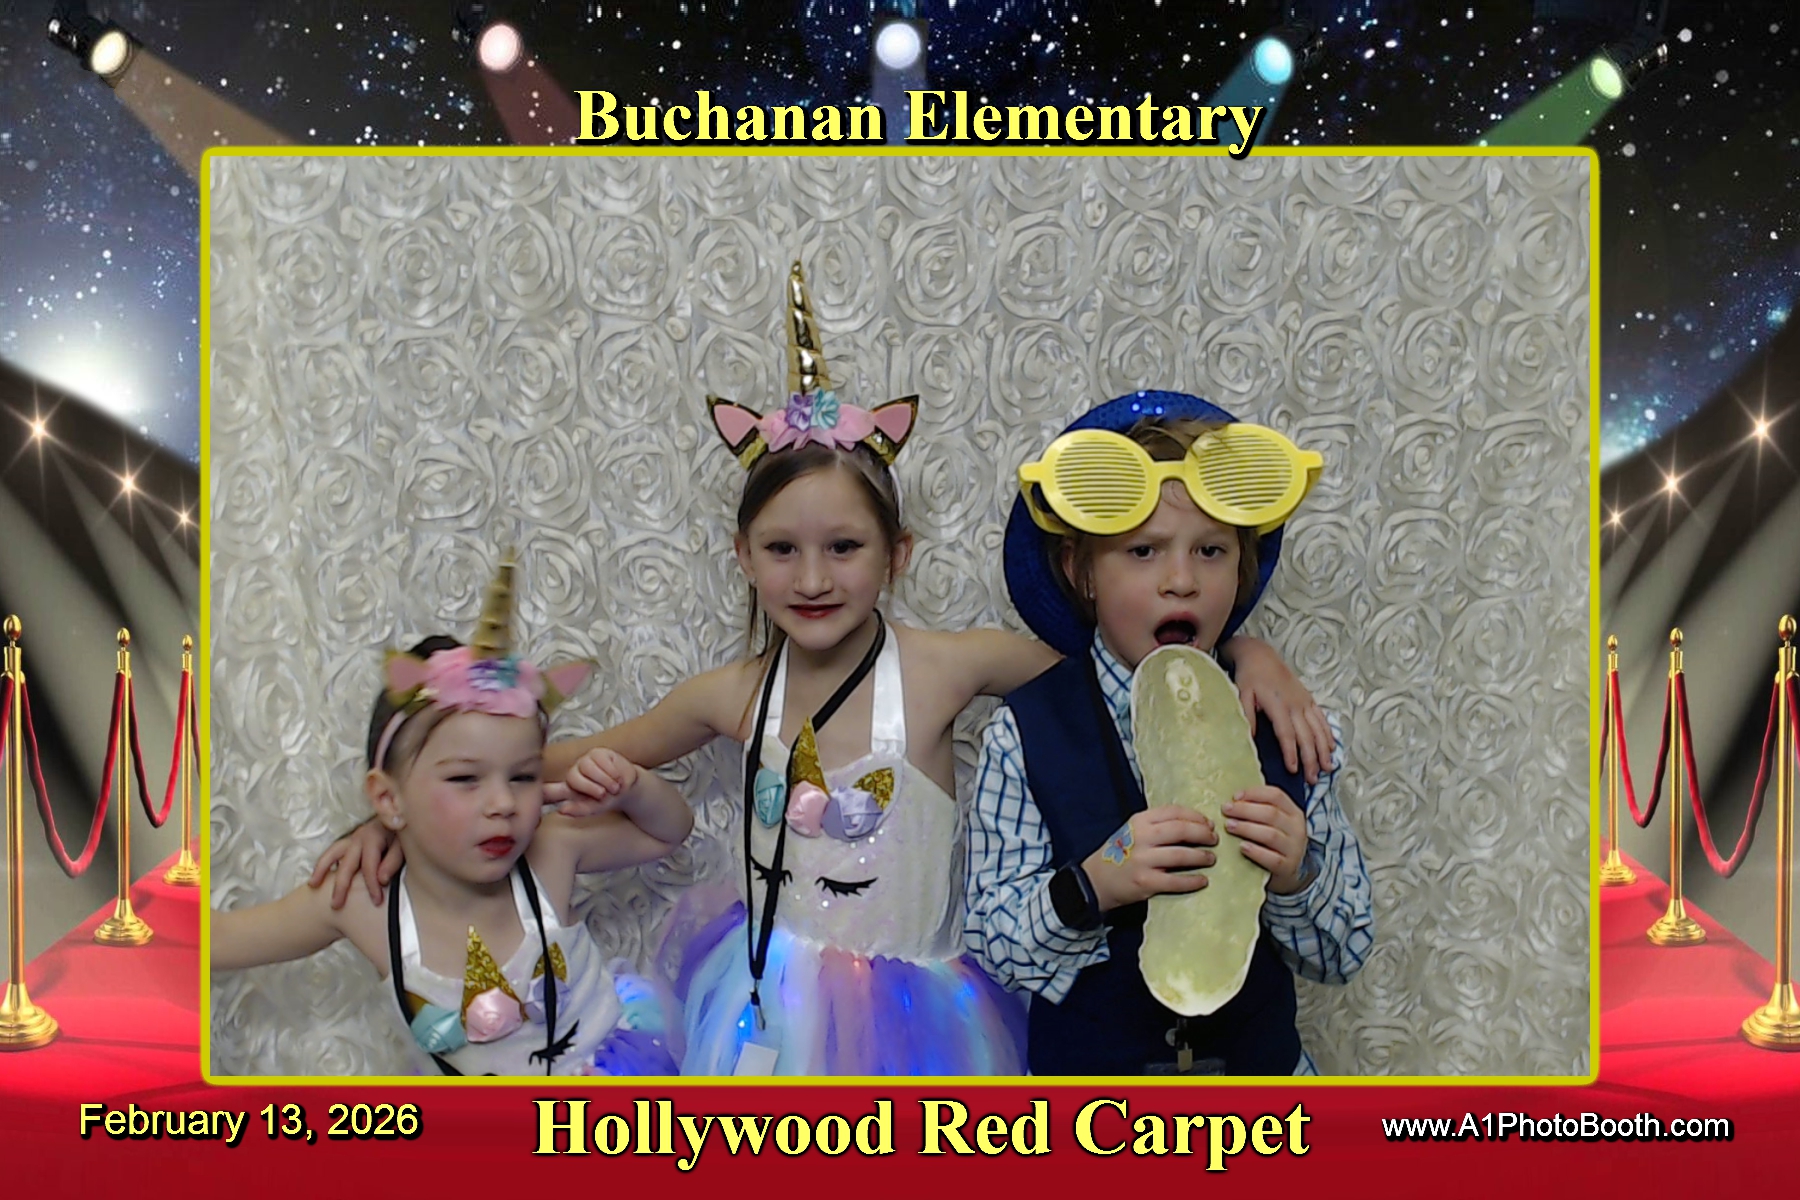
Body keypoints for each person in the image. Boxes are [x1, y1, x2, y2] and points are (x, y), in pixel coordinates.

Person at [312, 266, 1334, 1074]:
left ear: (897, 555)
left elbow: (1114, 667)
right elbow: (547, 757)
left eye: (844, 548)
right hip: (770, 1003)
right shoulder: (727, 695)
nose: (811, 579)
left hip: (922, 1010)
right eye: (782, 550)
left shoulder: (948, 666)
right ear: (743, 556)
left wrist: (1249, 651)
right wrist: (399, 809)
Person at [965, 391, 1375, 1075]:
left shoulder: (1289, 728)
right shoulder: (1024, 734)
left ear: (1240, 570)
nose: (1181, 580)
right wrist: (1094, 884)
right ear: (1080, 572)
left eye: (1211, 551)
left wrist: (1297, 874)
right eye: (1144, 551)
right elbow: (993, 945)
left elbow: (1345, 953)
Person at [212, 560, 693, 1077]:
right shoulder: (362, 902)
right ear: (388, 800)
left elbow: (666, 831)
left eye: (523, 776)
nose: (503, 803)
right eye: (465, 779)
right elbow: (215, 941)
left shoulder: (550, 852)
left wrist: (633, 787)